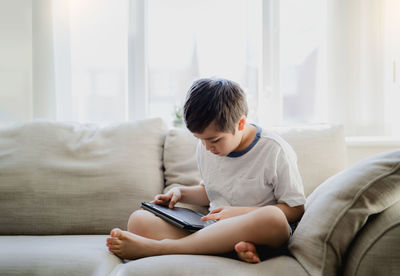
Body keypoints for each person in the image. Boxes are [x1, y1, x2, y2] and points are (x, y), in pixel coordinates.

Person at [106, 78, 306, 263]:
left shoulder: (274, 150)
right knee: (139, 220)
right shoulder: (205, 147)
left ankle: (163, 248)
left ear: (241, 123)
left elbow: (296, 209)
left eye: (214, 140)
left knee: (273, 218)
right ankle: (229, 250)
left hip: (259, 230)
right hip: (212, 231)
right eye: (200, 139)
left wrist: (238, 213)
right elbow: (212, 190)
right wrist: (180, 193)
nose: (207, 147)